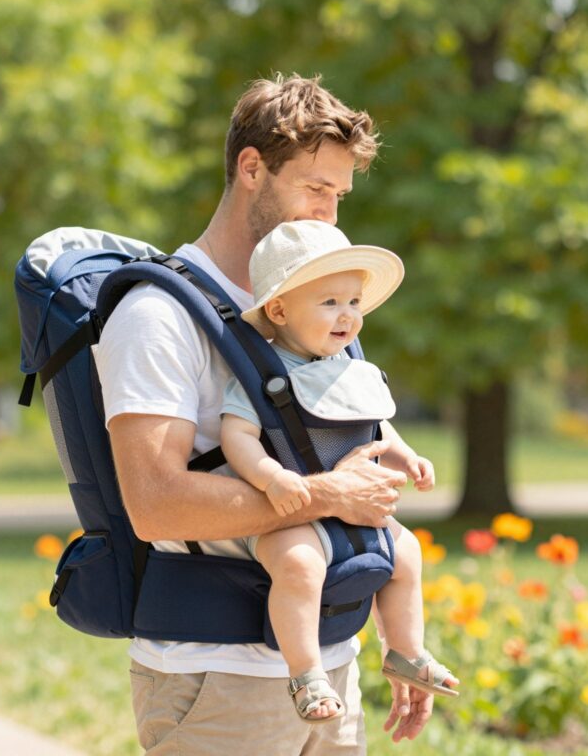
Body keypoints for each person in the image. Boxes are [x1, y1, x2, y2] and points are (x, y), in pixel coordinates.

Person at [97, 74, 434, 755]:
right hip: (216, 677)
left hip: (333, 666)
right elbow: (155, 504)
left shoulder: (324, 309)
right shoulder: (159, 317)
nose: (327, 218)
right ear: (251, 169)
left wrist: (402, 636)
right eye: (315, 190)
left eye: (338, 196)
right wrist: (322, 496)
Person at [220, 220, 460, 724]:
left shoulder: (352, 369)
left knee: (407, 552)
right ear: (280, 310)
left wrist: (407, 457)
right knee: (300, 566)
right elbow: (236, 437)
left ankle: (404, 650)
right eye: (329, 303)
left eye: (353, 303)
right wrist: (270, 477)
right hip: (288, 513)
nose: (347, 315)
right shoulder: (262, 374)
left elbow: (377, 429)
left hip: (355, 512)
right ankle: (306, 674)